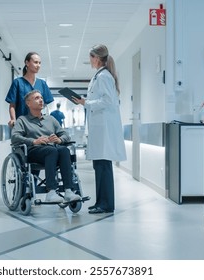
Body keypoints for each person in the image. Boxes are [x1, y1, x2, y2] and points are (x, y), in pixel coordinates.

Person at [72, 44, 126, 214]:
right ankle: (100, 202)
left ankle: (106, 204)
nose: (90, 61)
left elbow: (108, 101)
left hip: (104, 129)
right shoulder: (99, 76)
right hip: (100, 128)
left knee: (103, 167)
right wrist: (86, 102)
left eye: (91, 57)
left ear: (96, 58)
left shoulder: (103, 77)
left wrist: (85, 102)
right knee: (99, 166)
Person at [11, 89, 81, 203]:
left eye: (41, 98)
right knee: (51, 151)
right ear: (28, 103)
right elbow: (15, 137)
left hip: (52, 150)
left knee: (64, 150)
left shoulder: (51, 119)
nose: (41, 100)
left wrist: (59, 140)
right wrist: (34, 141)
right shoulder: (22, 120)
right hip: (34, 152)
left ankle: (68, 190)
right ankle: (51, 192)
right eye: (37, 98)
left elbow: (65, 134)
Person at [5, 52, 54, 127]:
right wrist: (13, 120)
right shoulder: (17, 82)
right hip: (22, 125)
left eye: (39, 63)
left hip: (39, 125)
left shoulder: (42, 83)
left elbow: (45, 106)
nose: (38, 65)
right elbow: (12, 105)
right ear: (27, 63)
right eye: (35, 62)